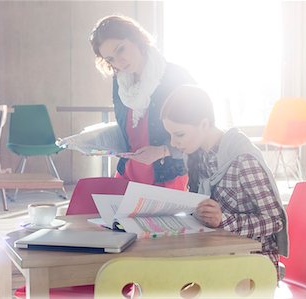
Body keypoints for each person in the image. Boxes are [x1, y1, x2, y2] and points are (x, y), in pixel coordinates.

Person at [160, 85, 288, 275]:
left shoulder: (243, 160)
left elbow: (275, 221)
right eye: (170, 134)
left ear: (204, 124)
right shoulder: (197, 156)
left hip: (254, 264)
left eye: (179, 134)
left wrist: (223, 220)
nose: (173, 143)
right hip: (217, 254)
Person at [89, 15, 196, 190]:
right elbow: (129, 132)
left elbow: (197, 133)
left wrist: (162, 150)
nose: (119, 62)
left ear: (136, 38)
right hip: (128, 174)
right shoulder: (120, 83)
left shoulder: (175, 76)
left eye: (121, 49)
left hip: (167, 176)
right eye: (110, 59)